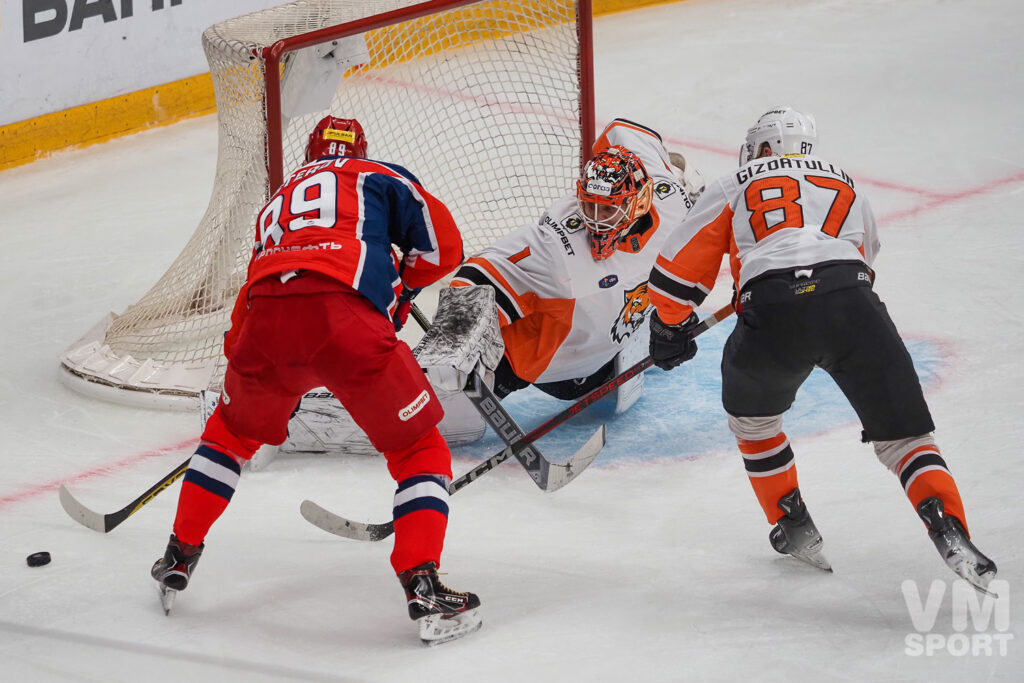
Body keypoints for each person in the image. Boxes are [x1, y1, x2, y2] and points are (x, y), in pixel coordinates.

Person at [150, 115, 482, 645]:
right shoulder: (380, 174)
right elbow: (444, 250)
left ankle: (179, 553)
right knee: (418, 448)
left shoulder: (275, 202)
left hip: (263, 323)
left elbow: (256, 294)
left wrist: (254, 368)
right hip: (345, 323)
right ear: (362, 149)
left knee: (230, 436)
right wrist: (396, 294)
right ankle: (422, 582)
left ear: (309, 156)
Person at [645, 107, 997, 591]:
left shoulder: (736, 180)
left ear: (764, 148)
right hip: (852, 301)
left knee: (756, 423)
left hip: (772, 309)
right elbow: (865, 260)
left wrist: (669, 328)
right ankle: (948, 527)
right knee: (905, 439)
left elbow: (676, 269)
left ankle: (793, 523)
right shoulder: (846, 180)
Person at [433, 118, 705, 440]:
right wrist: (449, 340)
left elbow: (623, 129)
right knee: (447, 420)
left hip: (599, 360)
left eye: (608, 211)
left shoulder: (675, 204)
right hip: (552, 363)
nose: (595, 221)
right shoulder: (558, 245)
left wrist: (673, 324)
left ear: (640, 202)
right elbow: (483, 271)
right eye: (590, 206)